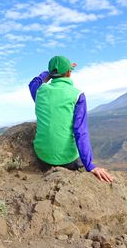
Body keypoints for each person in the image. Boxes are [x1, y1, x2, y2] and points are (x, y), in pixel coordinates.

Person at [28, 55, 113, 183]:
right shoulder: (77, 95)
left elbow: (34, 82)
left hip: (42, 157)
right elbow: (80, 131)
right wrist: (89, 165)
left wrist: (51, 73)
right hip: (66, 161)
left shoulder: (40, 91)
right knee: (75, 156)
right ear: (69, 72)